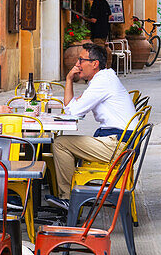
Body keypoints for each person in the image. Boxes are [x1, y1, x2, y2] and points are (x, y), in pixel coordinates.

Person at [45, 42, 136, 207]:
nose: (77, 64)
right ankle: (70, 193)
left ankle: (67, 199)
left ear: (95, 64)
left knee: (60, 144)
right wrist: (69, 81)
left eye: (81, 60)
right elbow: (71, 108)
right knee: (63, 143)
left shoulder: (102, 82)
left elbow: (72, 113)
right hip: (119, 142)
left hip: (119, 147)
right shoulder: (104, 79)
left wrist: (69, 80)